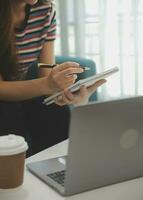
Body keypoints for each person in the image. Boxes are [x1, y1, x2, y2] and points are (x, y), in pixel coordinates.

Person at [0, 0, 106, 156]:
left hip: (21, 91)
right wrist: (48, 84)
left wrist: (66, 94)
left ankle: (56, 171)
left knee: (55, 111)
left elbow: (47, 72)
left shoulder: (45, 11)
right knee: (7, 113)